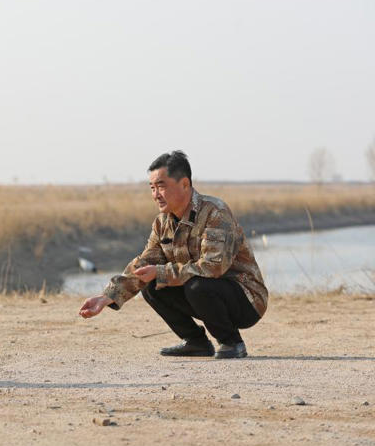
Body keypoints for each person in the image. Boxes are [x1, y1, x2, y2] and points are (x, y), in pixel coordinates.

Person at [79, 151, 268, 359]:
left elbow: (213, 267)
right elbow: (145, 264)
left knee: (196, 285)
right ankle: (196, 342)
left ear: (185, 184)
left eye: (161, 186)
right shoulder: (162, 223)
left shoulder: (215, 212)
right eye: (152, 188)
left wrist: (160, 272)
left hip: (246, 299)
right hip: (205, 293)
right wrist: (107, 297)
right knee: (152, 286)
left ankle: (231, 342)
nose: (156, 194)